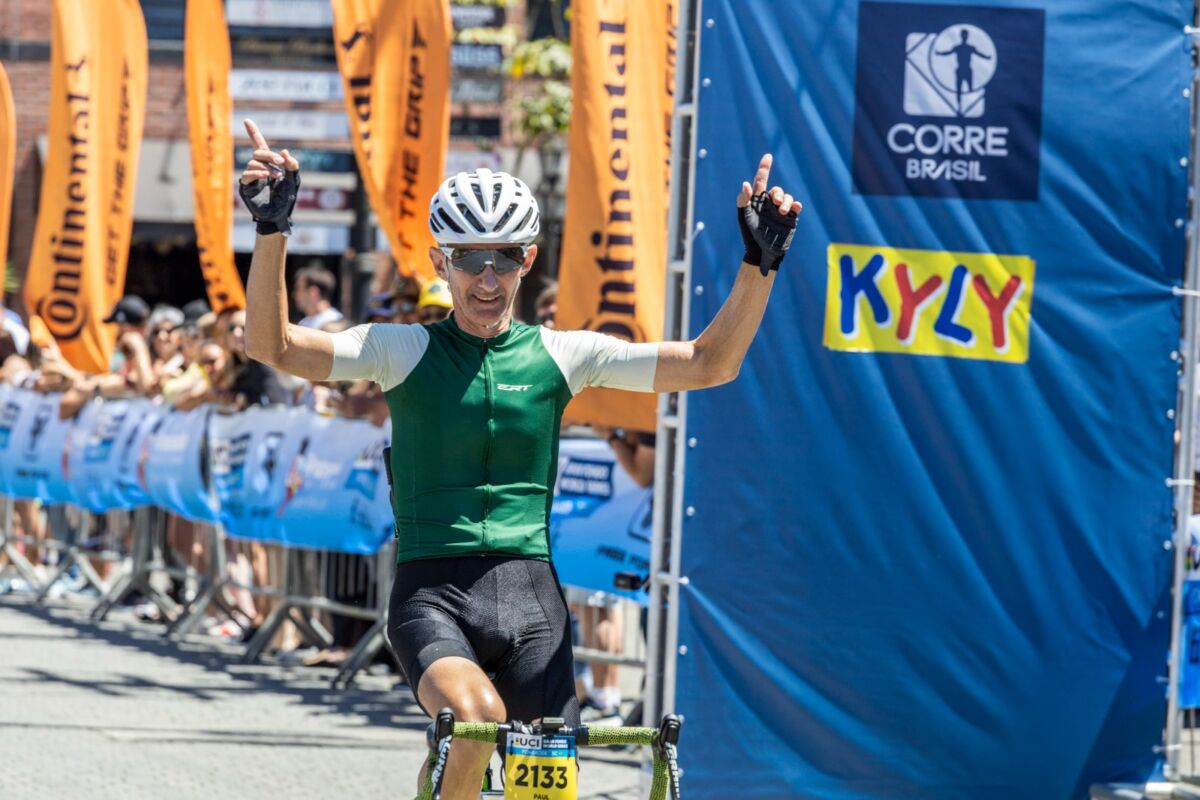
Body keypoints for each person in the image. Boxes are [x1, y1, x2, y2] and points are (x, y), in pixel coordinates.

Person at [237, 118, 799, 799]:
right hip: (431, 595)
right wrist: (273, 234)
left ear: (528, 261)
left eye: (504, 257)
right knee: (473, 723)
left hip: (533, 600)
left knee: (544, 791)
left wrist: (759, 265)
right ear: (441, 261)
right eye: (470, 258)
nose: (487, 277)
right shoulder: (401, 349)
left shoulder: (565, 353)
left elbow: (711, 364)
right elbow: (275, 347)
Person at [292, 263, 344, 329]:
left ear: (313, 292)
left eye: (298, 289)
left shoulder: (337, 323)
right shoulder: (302, 324)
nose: (294, 294)